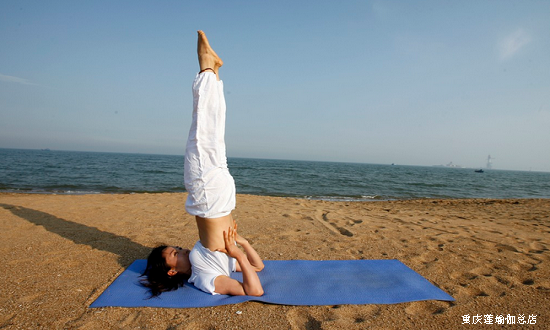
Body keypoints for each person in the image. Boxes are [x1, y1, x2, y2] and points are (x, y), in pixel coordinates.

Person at [142, 31, 264, 297]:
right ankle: (206, 67)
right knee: (201, 135)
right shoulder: (203, 276)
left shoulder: (207, 262)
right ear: (172, 271)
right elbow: (253, 289)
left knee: (213, 132)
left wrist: (240, 245)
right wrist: (236, 251)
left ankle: (214, 73)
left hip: (218, 197)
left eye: (174, 248)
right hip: (208, 197)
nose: (181, 249)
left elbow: (258, 265)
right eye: (174, 253)